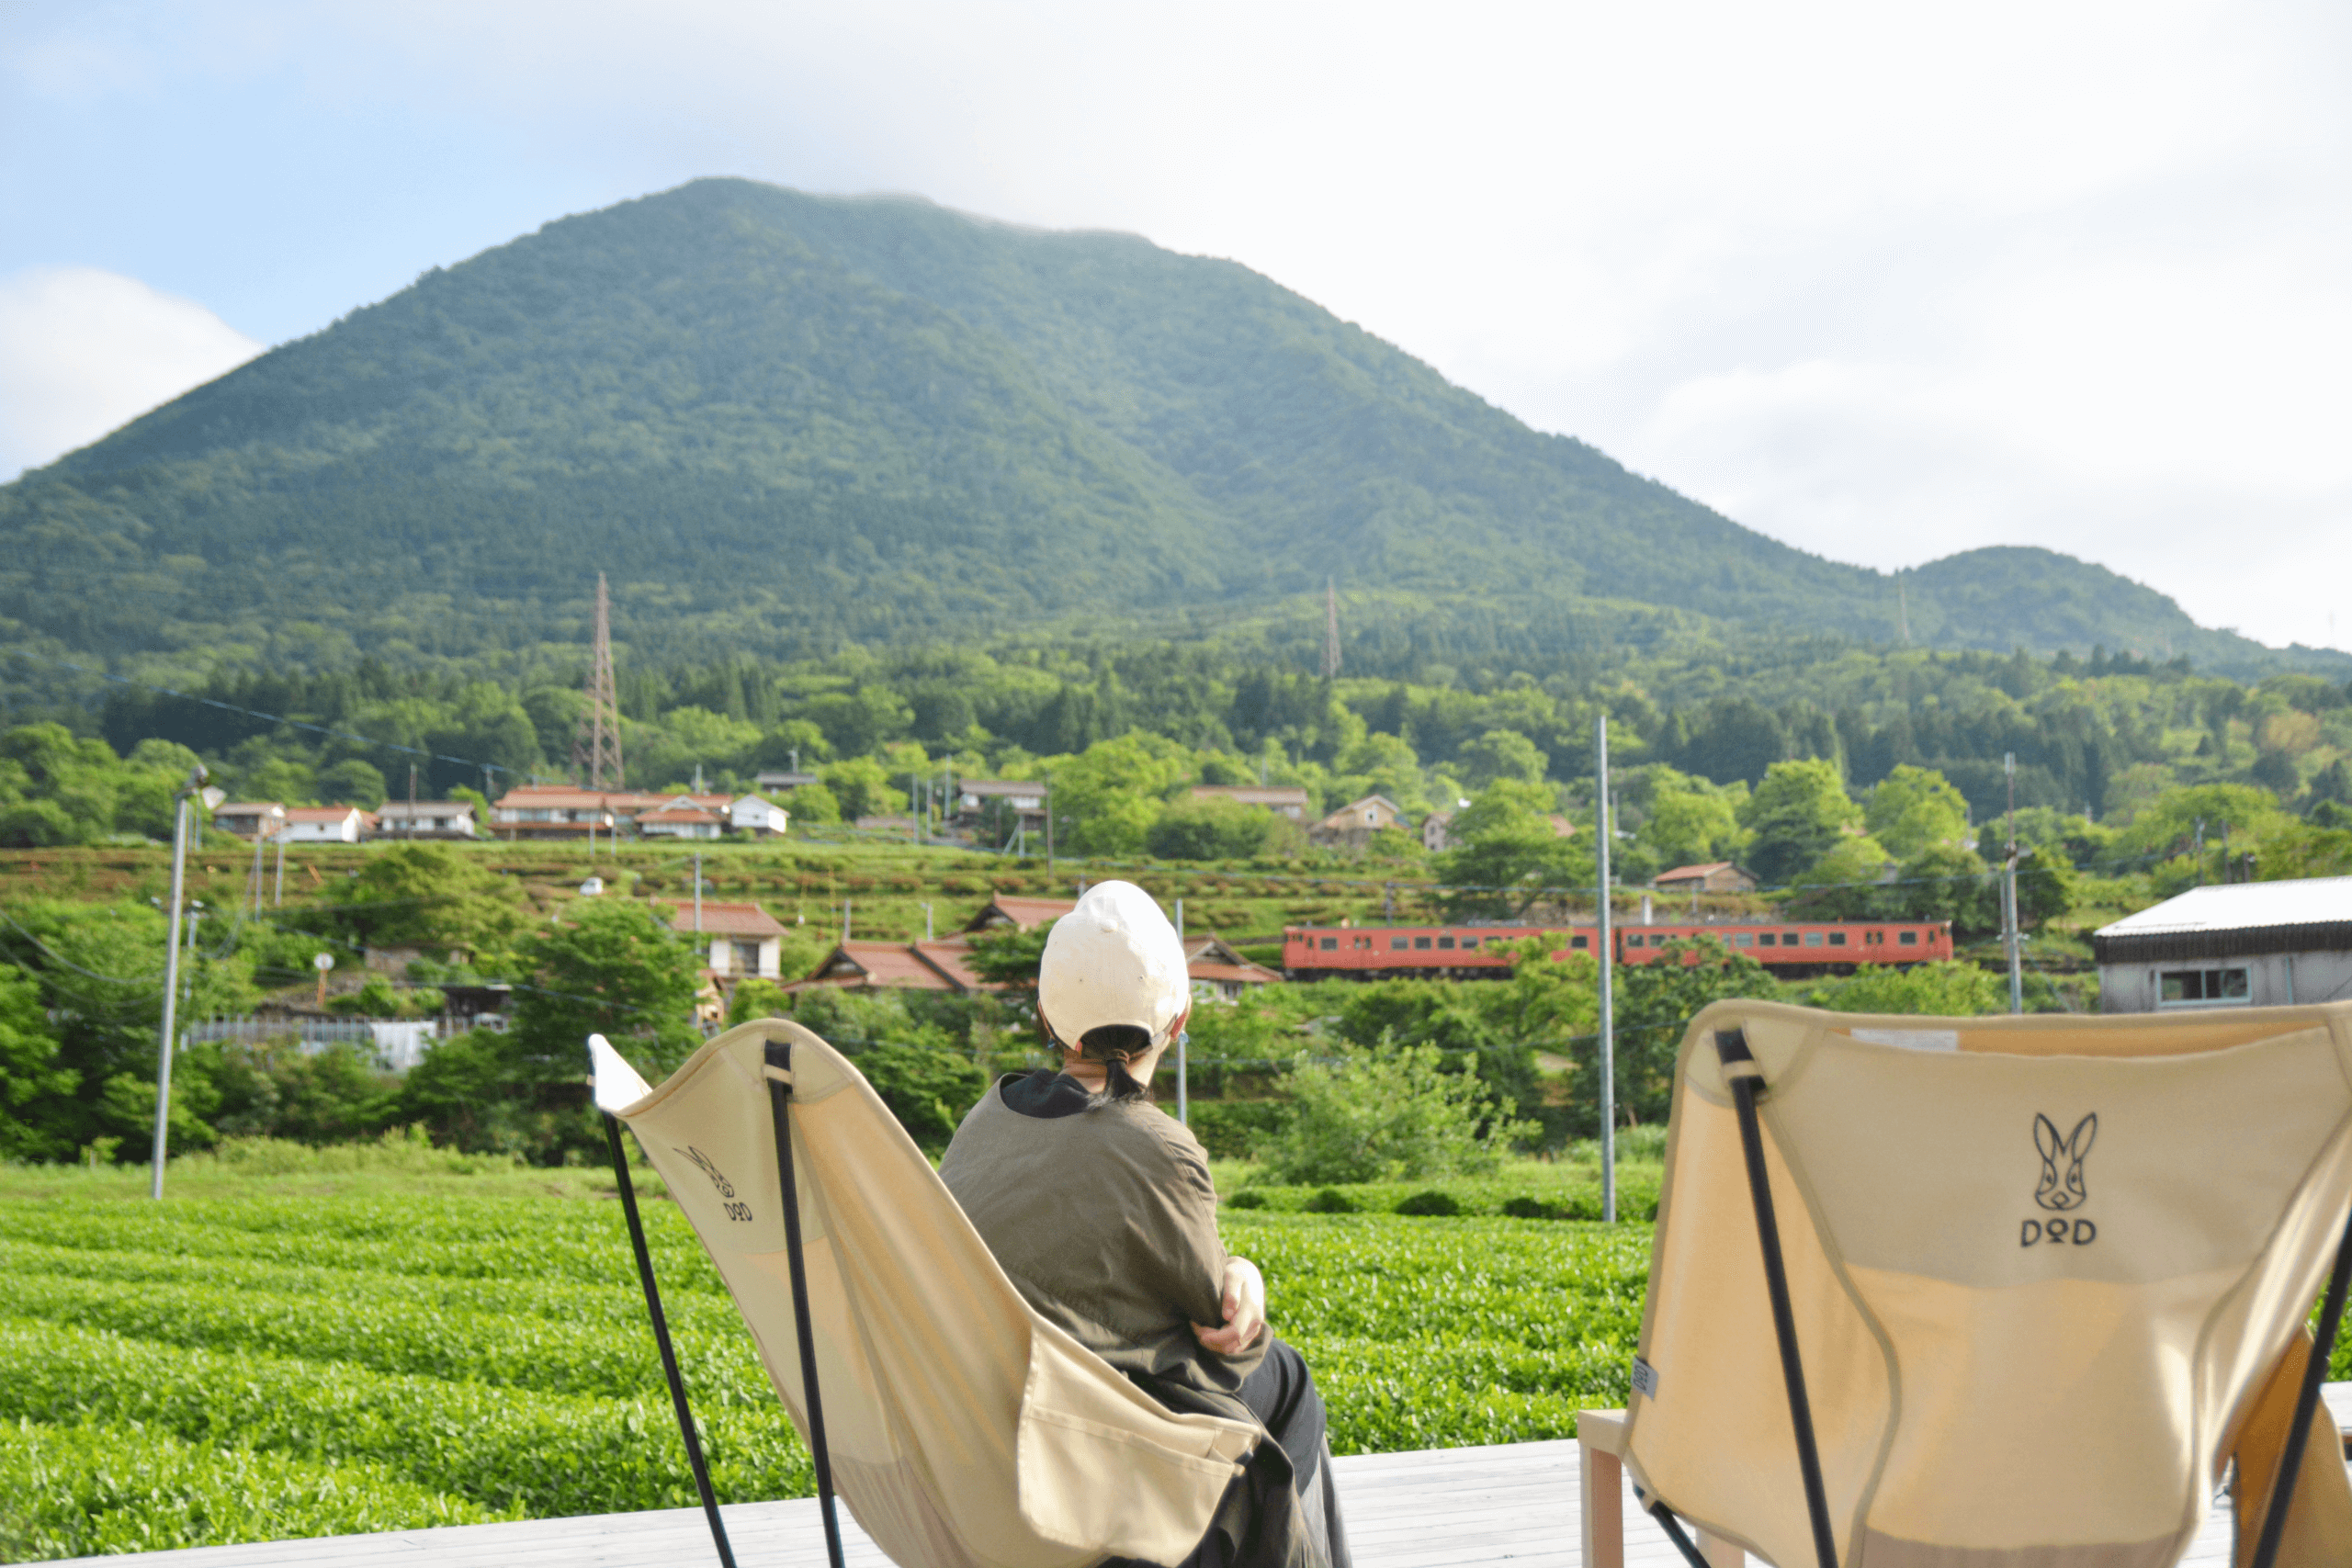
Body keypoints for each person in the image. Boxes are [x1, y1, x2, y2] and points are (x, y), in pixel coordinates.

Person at [940, 881, 1351, 1568]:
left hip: (980, 1440)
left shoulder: (982, 1124)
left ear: (1046, 1014)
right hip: (1090, 1444)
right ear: (1181, 1018)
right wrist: (1242, 1278)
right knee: (1286, 1376)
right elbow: (1223, 1340)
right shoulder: (1157, 1146)